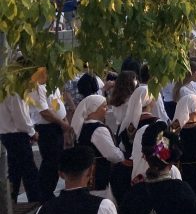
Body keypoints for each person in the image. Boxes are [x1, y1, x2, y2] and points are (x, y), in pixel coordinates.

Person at [26, 67, 70, 201]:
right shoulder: (36, 87)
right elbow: (44, 112)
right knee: (51, 161)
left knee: (57, 160)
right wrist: (62, 123)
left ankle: (48, 192)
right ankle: (45, 193)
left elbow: (58, 104)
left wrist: (64, 121)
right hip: (47, 129)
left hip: (57, 126)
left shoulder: (51, 85)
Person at [71, 93, 125, 199]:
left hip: (86, 177)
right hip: (98, 177)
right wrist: (123, 156)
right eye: (104, 107)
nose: (107, 109)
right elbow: (113, 155)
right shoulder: (98, 129)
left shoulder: (83, 127)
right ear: (94, 109)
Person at [0, 90, 42, 204]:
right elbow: (21, 119)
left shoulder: (5, 89)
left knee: (15, 171)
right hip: (17, 135)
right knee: (29, 172)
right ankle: (36, 203)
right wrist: (32, 132)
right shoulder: (15, 92)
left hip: (7, 133)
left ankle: (9, 203)